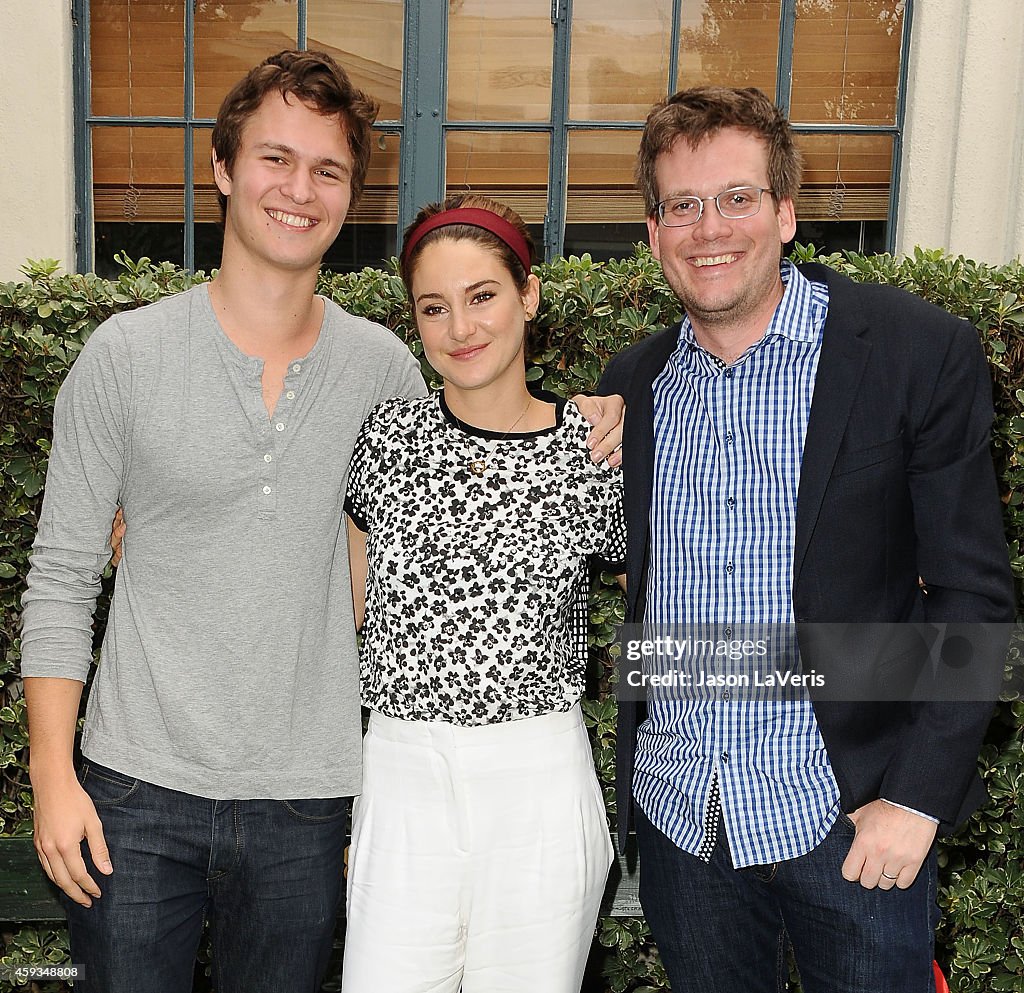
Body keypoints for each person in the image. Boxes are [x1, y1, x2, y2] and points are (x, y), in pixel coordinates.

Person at [20, 51, 623, 993]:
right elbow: (59, 576)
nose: (299, 189)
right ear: (223, 169)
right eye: (275, 158)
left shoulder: (384, 371)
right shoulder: (123, 357)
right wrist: (51, 777)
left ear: (351, 196)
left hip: (309, 800)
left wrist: (602, 411)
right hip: (133, 791)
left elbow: (471, 472)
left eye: (328, 170)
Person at [599, 86, 1014, 993]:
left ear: (785, 213)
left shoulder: (913, 351)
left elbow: (974, 593)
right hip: (683, 822)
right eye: (684, 205)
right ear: (655, 230)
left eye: (738, 198)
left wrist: (914, 798)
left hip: (851, 821)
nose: (711, 228)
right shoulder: (632, 383)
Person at [339, 194, 626, 993]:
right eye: (434, 307)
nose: (460, 328)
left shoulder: (592, 446)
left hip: (537, 777)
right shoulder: (387, 437)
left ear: (528, 294)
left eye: (483, 296)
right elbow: (346, 609)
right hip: (402, 772)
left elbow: (681, 589)